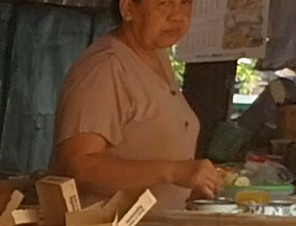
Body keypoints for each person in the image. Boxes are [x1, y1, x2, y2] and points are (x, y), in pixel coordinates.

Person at [53, 0, 222, 209]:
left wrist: (191, 184)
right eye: (164, 3)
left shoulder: (156, 55)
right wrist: (174, 172)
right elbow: (79, 165)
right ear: (128, 9)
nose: (178, 15)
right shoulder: (106, 67)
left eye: (185, 2)